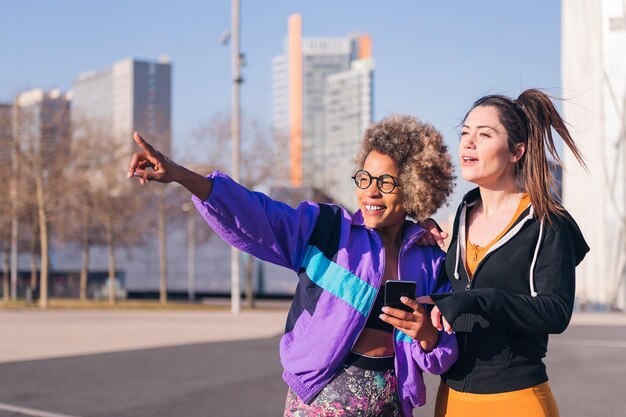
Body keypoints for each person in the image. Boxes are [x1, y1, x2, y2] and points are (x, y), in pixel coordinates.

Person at [127, 115, 458, 417]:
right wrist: (182, 176)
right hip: (319, 399)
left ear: (415, 188)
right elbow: (255, 212)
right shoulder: (326, 230)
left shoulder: (431, 260)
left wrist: (427, 335)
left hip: (391, 404)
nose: (370, 191)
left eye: (386, 182)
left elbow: (446, 347)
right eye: (364, 178)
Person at [417, 89, 589, 417]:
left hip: (516, 399)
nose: (468, 142)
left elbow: (555, 311)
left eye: (484, 135)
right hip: (451, 398)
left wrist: (477, 299)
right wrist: (419, 238)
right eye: (465, 133)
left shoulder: (546, 220)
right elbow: (449, 294)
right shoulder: (463, 212)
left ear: (516, 151)